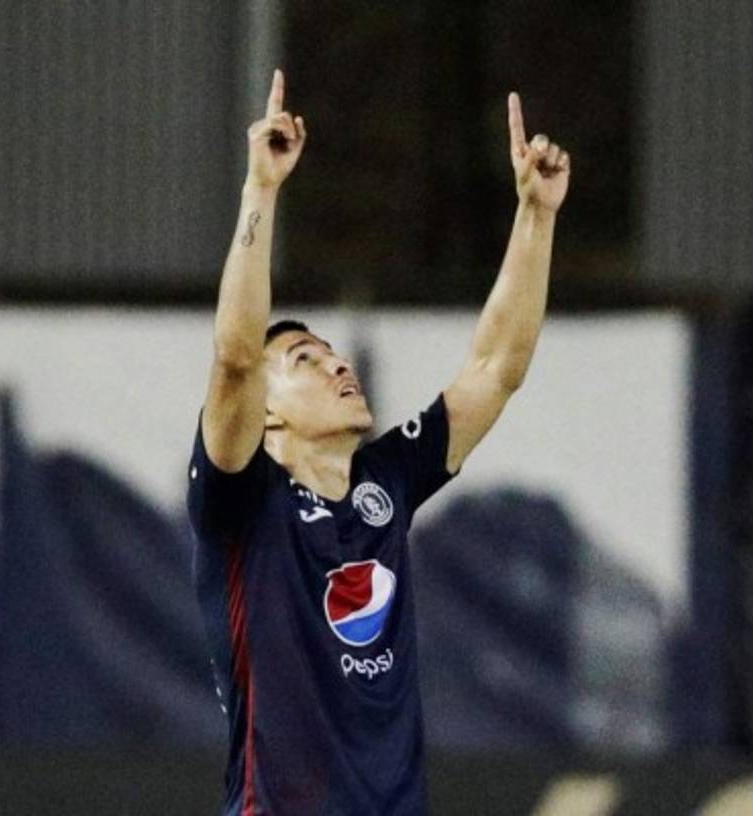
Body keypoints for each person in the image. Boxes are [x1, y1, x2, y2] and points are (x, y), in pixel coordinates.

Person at [187, 68, 570, 816]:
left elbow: (497, 368)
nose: (335, 361)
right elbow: (235, 360)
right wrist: (259, 191)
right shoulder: (240, 501)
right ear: (266, 415)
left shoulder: (385, 482)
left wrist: (536, 216)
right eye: (305, 360)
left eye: (331, 350)